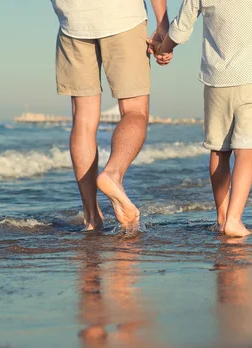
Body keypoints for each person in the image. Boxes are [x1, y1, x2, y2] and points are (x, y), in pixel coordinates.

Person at [148, 0, 252, 237]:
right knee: (246, 150)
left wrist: (163, 48)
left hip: (217, 81)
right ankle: (234, 220)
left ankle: (222, 218)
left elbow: (182, 28)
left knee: (219, 151)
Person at [49, 0, 169, 231]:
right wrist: (162, 24)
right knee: (135, 110)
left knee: (83, 120)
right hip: (123, 17)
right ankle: (112, 174)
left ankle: (91, 216)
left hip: (73, 22)